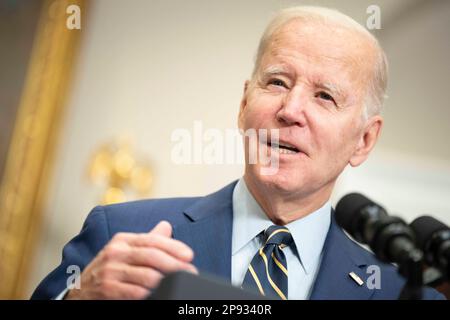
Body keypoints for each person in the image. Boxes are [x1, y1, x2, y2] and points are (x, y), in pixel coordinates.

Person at [31, 6, 444, 300]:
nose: (291, 110)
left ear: (364, 141)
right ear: (244, 104)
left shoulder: (397, 292)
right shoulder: (122, 233)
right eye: (278, 82)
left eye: (324, 96)